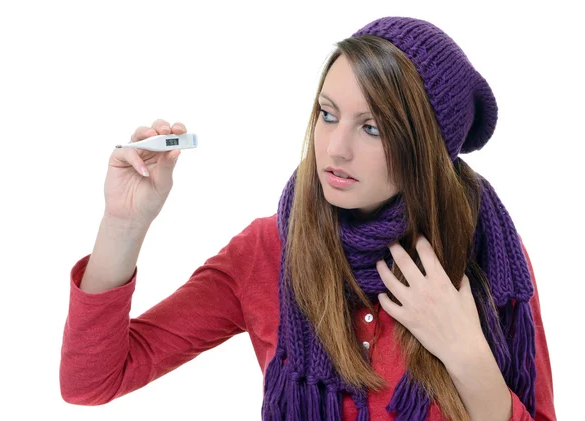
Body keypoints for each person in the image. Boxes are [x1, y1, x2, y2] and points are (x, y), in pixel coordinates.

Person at [59, 16, 557, 421]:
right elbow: (93, 381)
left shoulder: (487, 255)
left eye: (372, 128)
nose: (335, 149)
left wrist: (468, 355)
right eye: (328, 113)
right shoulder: (268, 250)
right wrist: (124, 226)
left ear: (427, 148)